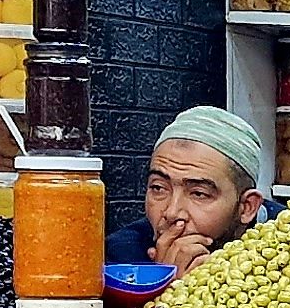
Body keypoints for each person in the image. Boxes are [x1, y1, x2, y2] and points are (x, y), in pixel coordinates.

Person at [113, 105, 272, 269]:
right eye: (158, 188)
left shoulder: (286, 246)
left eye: (198, 194)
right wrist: (162, 280)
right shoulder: (118, 259)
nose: (171, 213)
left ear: (247, 207)